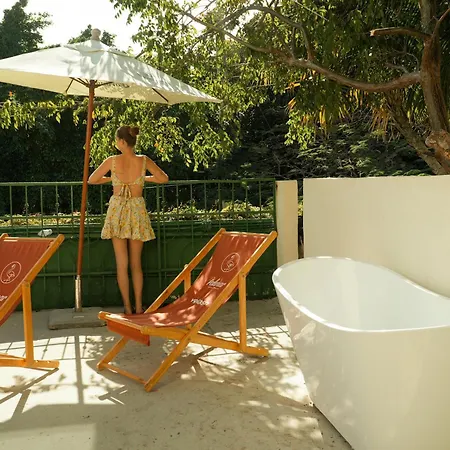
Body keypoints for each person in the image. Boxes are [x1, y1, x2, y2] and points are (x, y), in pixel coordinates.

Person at [88, 125, 169, 315]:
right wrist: (143, 178)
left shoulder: (112, 161)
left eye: (117, 140)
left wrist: (112, 179)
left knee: (121, 264)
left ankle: (127, 307)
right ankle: (139, 306)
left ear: (122, 142)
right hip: (137, 209)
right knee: (136, 264)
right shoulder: (143, 160)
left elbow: (92, 179)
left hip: (117, 210)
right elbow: (163, 178)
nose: (116, 143)